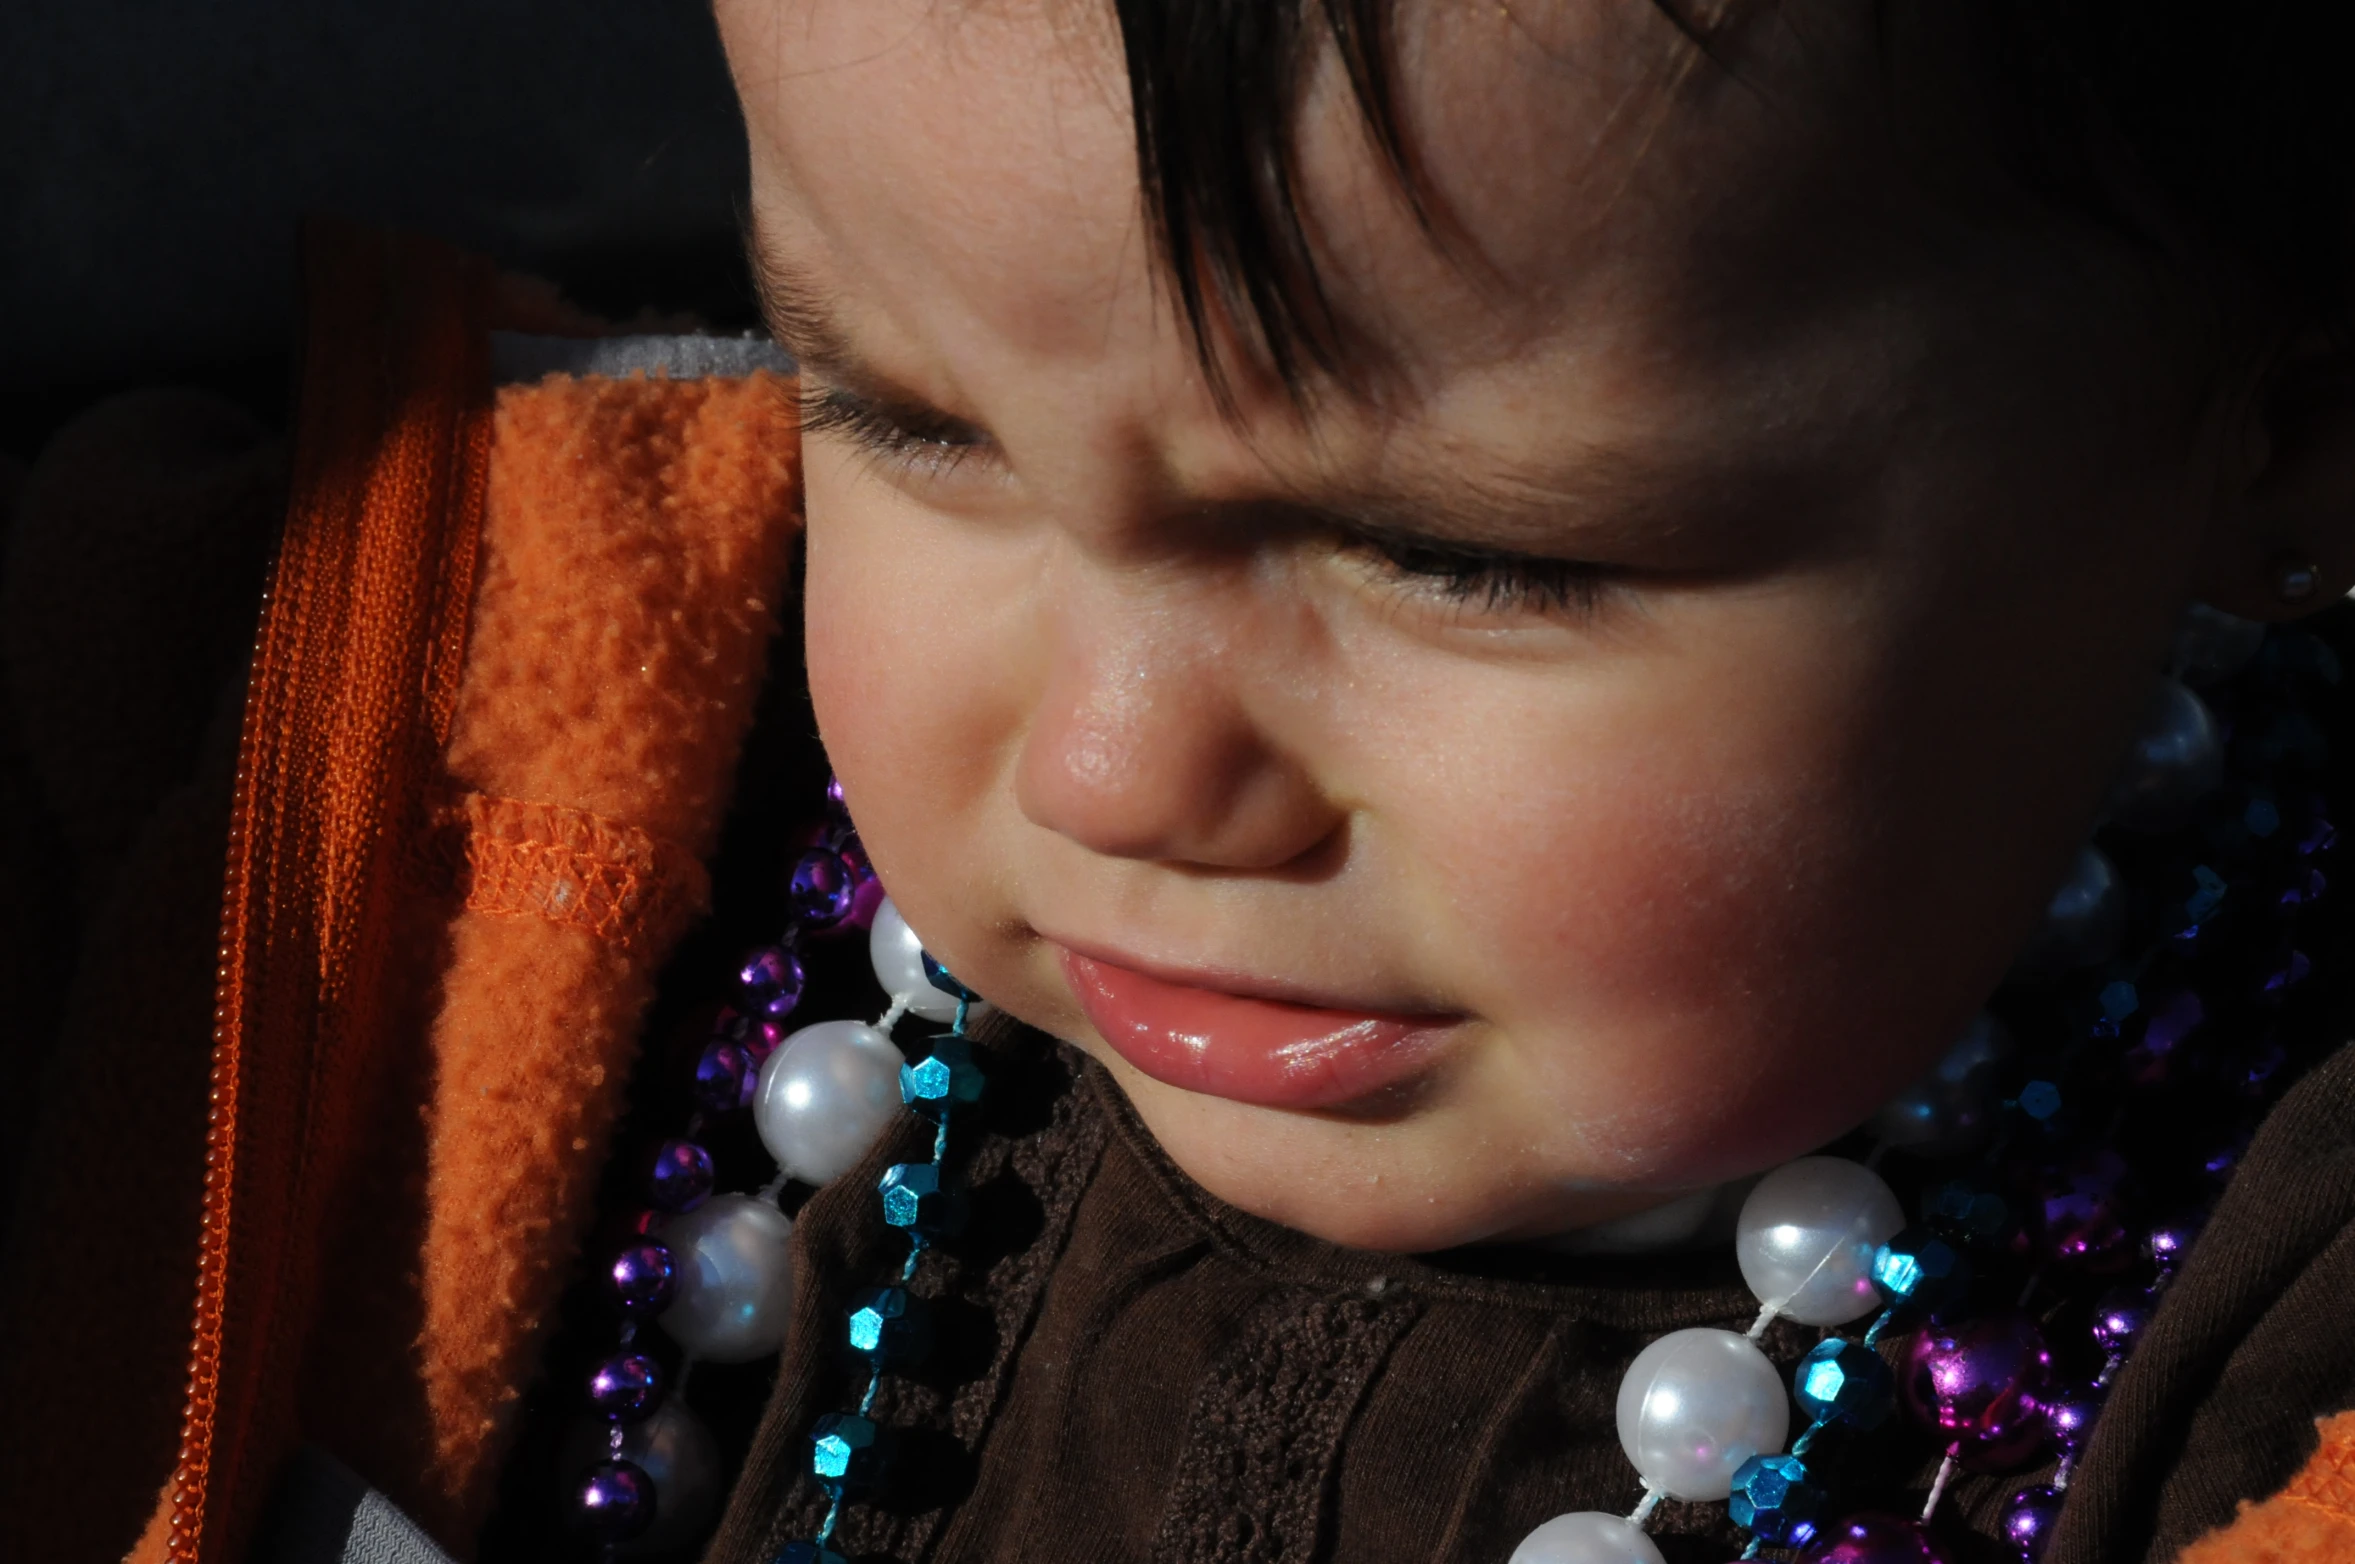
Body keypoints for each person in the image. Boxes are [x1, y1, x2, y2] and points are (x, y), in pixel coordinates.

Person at [2, 3, 2352, 1563]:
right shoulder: (378, 817)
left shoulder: (2266, 1323)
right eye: (916, 424)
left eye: (1458, 555)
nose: (1117, 767)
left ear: (2280, 420)